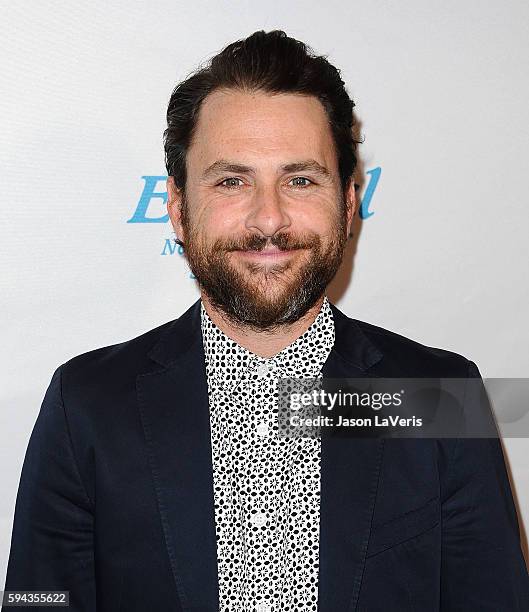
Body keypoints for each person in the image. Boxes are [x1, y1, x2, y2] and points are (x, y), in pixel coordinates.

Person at [3, 30, 528, 612]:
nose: (269, 218)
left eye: (300, 179)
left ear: (349, 205)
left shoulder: (439, 395)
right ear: (177, 208)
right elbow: (38, 599)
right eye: (232, 181)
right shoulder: (86, 404)